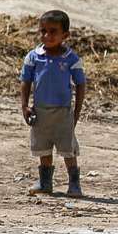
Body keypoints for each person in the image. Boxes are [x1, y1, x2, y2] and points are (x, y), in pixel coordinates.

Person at [20, 10, 87, 197]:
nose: (47, 36)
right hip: (40, 112)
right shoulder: (33, 57)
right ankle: (45, 182)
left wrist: (76, 112)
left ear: (65, 35)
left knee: (68, 149)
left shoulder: (71, 59)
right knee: (44, 148)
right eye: (43, 31)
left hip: (63, 112)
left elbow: (81, 84)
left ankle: (74, 184)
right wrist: (25, 106)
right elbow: (25, 82)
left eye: (53, 31)